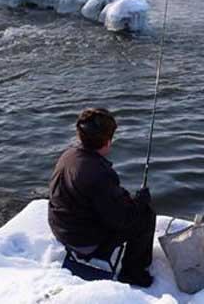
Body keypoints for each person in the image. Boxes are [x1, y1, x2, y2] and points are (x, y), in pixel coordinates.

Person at [48, 108, 156, 287]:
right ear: (107, 141)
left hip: (60, 227)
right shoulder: (99, 174)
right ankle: (133, 272)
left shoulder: (69, 155)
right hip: (82, 240)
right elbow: (121, 220)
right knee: (145, 216)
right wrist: (141, 202)